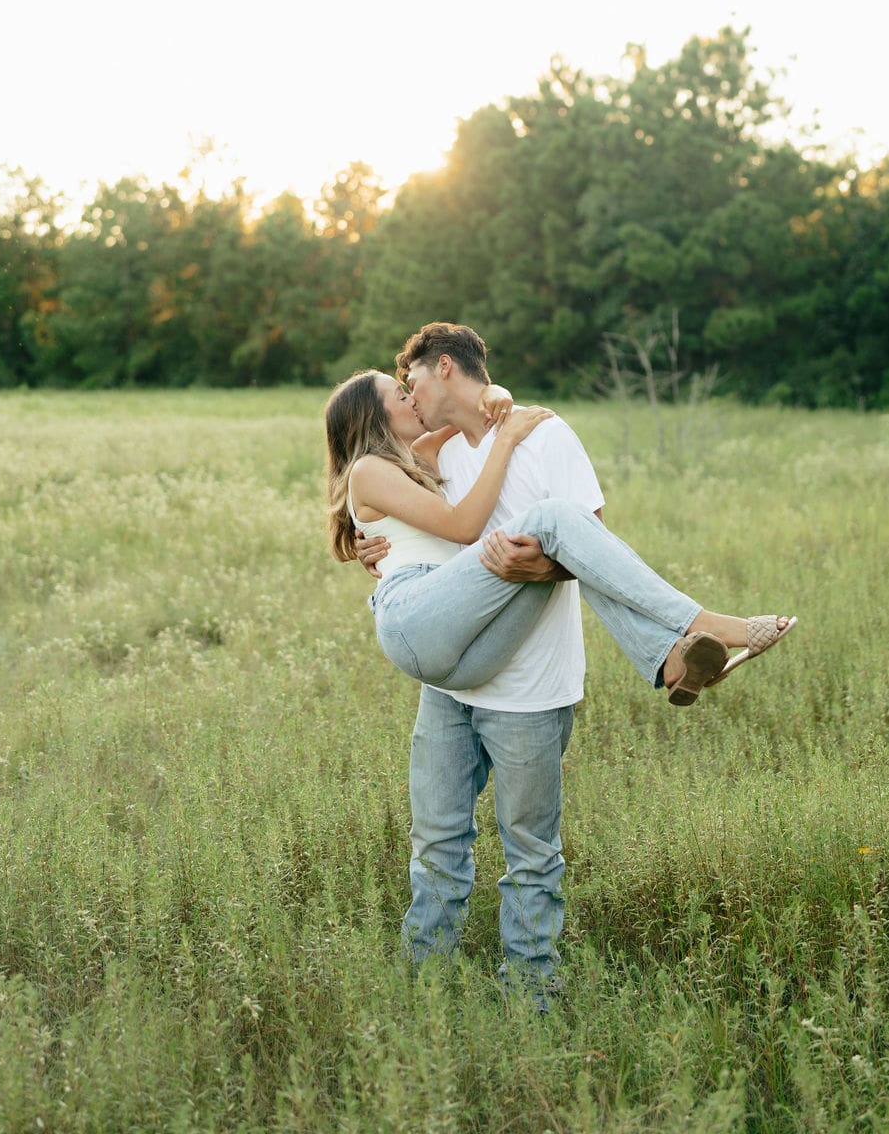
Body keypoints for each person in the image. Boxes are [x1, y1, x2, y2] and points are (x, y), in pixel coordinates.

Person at [333, 323, 795, 1003]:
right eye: (394, 391)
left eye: (412, 380)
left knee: (531, 859)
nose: (407, 393)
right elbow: (428, 530)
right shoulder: (427, 453)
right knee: (436, 849)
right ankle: (703, 630)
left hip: (523, 684)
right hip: (445, 678)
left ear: (446, 369)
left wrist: (535, 559)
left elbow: (594, 546)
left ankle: (532, 1002)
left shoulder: (542, 434)